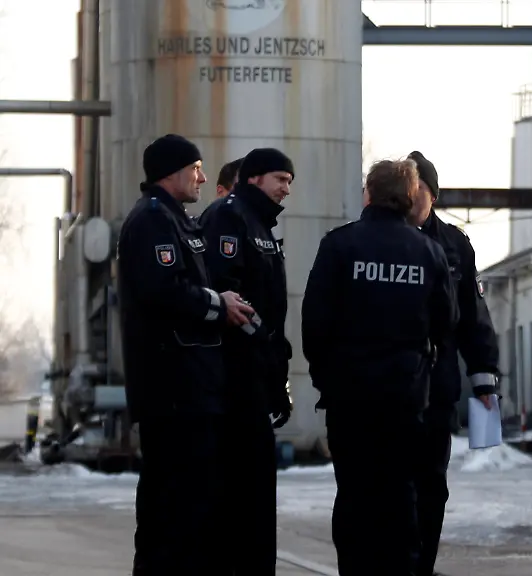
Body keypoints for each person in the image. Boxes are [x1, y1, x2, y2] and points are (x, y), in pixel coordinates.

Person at [301, 158, 457, 576]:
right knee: (400, 496)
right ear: (409, 197)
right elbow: (446, 322)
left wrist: (326, 378)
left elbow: (314, 322)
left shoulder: (340, 246)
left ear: (369, 193)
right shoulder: (428, 251)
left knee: (354, 495)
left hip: (349, 398)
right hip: (405, 399)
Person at [117, 134, 254, 575]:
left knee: (193, 507)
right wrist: (219, 304)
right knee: (172, 507)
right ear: (171, 172)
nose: (203, 177)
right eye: (195, 168)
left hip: (193, 387)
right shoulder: (153, 220)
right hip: (172, 388)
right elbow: (164, 289)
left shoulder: (177, 220)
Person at [198, 147, 295, 575]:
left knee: (257, 498)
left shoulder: (261, 225)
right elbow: (228, 295)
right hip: (232, 382)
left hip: (255, 378)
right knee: (236, 499)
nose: (286, 189)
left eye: (289, 182)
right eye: (281, 179)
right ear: (254, 178)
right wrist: (262, 347)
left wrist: (277, 377)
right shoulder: (228, 217)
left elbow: (272, 313)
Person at [405, 150, 501, 576]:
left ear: (433, 194)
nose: (410, 197)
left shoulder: (455, 245)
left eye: (418, 189)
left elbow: (474, 318)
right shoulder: (380, 238)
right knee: (396, 487)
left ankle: (422, 564)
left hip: (437, 387)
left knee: (432, 486)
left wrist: (484, 379)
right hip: (391, 386)